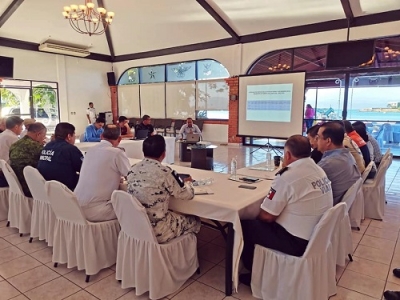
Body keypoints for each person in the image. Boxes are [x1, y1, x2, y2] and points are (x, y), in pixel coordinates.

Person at [239, 135, 333, 286]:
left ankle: (254, 275)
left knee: (244, 225)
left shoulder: (288, 176)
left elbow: (266, 216)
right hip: (317, 236)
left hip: (297, 242)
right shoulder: (318, 169)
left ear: (288, 155)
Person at [127, 135, 201, 244]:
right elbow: (187, 195)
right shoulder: (165, 172)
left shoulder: (132, 168)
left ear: (143, 152)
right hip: (158, 230)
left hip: (135, 225)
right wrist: (188, 183)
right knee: (195, 220)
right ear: (164, 154)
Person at [75, 125, 130, 222]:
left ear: (101, 136)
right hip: (96, 210)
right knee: (134, 208)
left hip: (76, 206)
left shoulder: (90, 151)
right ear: (120, 139)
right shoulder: (117, 153)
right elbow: (131, 177)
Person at [317, 122, 361, 206]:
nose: (316, 140)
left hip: (327, 207)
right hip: (341, 207)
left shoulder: (328, 163)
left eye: (318, 137)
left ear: (328, 141)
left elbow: (307, 183)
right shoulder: (347, 155)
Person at [37, 122, 83, 191]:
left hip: (46, 186)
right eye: (74, 134)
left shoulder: (47, 146)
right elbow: (83, 168)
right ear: (69, 136)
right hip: (65, 188)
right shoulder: (70, 149)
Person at [9, 122, 47, 197]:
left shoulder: (15, 144)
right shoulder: (36, 146)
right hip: (29, 186)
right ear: (38, 134)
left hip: (16, 184)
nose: (44, 138)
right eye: (44, 136)